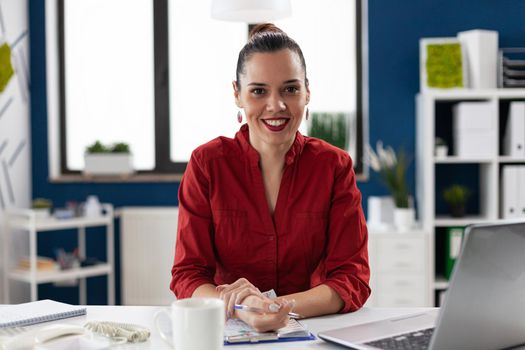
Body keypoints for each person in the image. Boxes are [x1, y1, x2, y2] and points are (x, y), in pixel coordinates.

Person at [170, 23, 370, 332]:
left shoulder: (334, 166)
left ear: (307, 92)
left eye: (290, 89)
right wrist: (243, 309)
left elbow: (351, 279)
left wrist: (273, 308)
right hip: (228, 331)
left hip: (310, 333)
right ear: (237, 94)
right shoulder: (206, 164)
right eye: (259, 91)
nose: (276, 105)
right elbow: (188, 274)